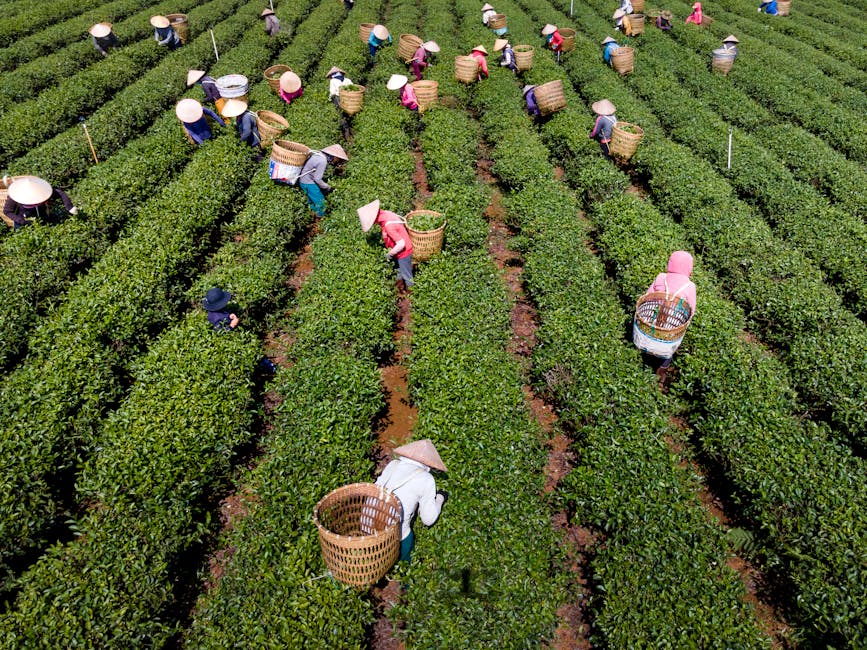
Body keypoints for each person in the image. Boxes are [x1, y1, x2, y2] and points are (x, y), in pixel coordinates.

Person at [372, 439, 447, 564]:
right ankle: (404, 569)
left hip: (369, 525)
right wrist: (440, 498)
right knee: (405, 537)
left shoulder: (393, 464)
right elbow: (428, 520)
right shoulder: (426, 479)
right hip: (393, 536)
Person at [634, 251, 697, 372]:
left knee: (649, 337)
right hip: (671, 327)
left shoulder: (661, 277)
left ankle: (642, 359)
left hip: (651, 320)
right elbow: (691, 310)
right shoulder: (690, 286)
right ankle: (662, 369)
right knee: (669, 347)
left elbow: (648, 296)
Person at [358, 199, 414, 289]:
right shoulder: (386, 214)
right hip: (399, 252)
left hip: (404, 253)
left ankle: (411, 293)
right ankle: (400, 287)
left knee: (407, 276)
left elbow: (401, 244)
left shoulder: (389, 226)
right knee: (399, 270)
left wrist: (390, 254)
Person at [2, 175, 77, 228]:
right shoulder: (14, 196)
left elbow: (60, 193)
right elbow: (7, 211)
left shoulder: (42, 190)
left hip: (43, 216)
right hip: (22, 222)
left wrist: (70, 207)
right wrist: (22, 221)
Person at [297, 144, 349, 217]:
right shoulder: (323, 161)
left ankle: (312, 216)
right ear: (335, 156)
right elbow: (317, 179)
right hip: (308, 182)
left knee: (312, 202)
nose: (338, 161)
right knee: (322, 204)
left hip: (304, 180)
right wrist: (328, 187)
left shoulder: (319, 155)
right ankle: (320, 219)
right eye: (339, 159)